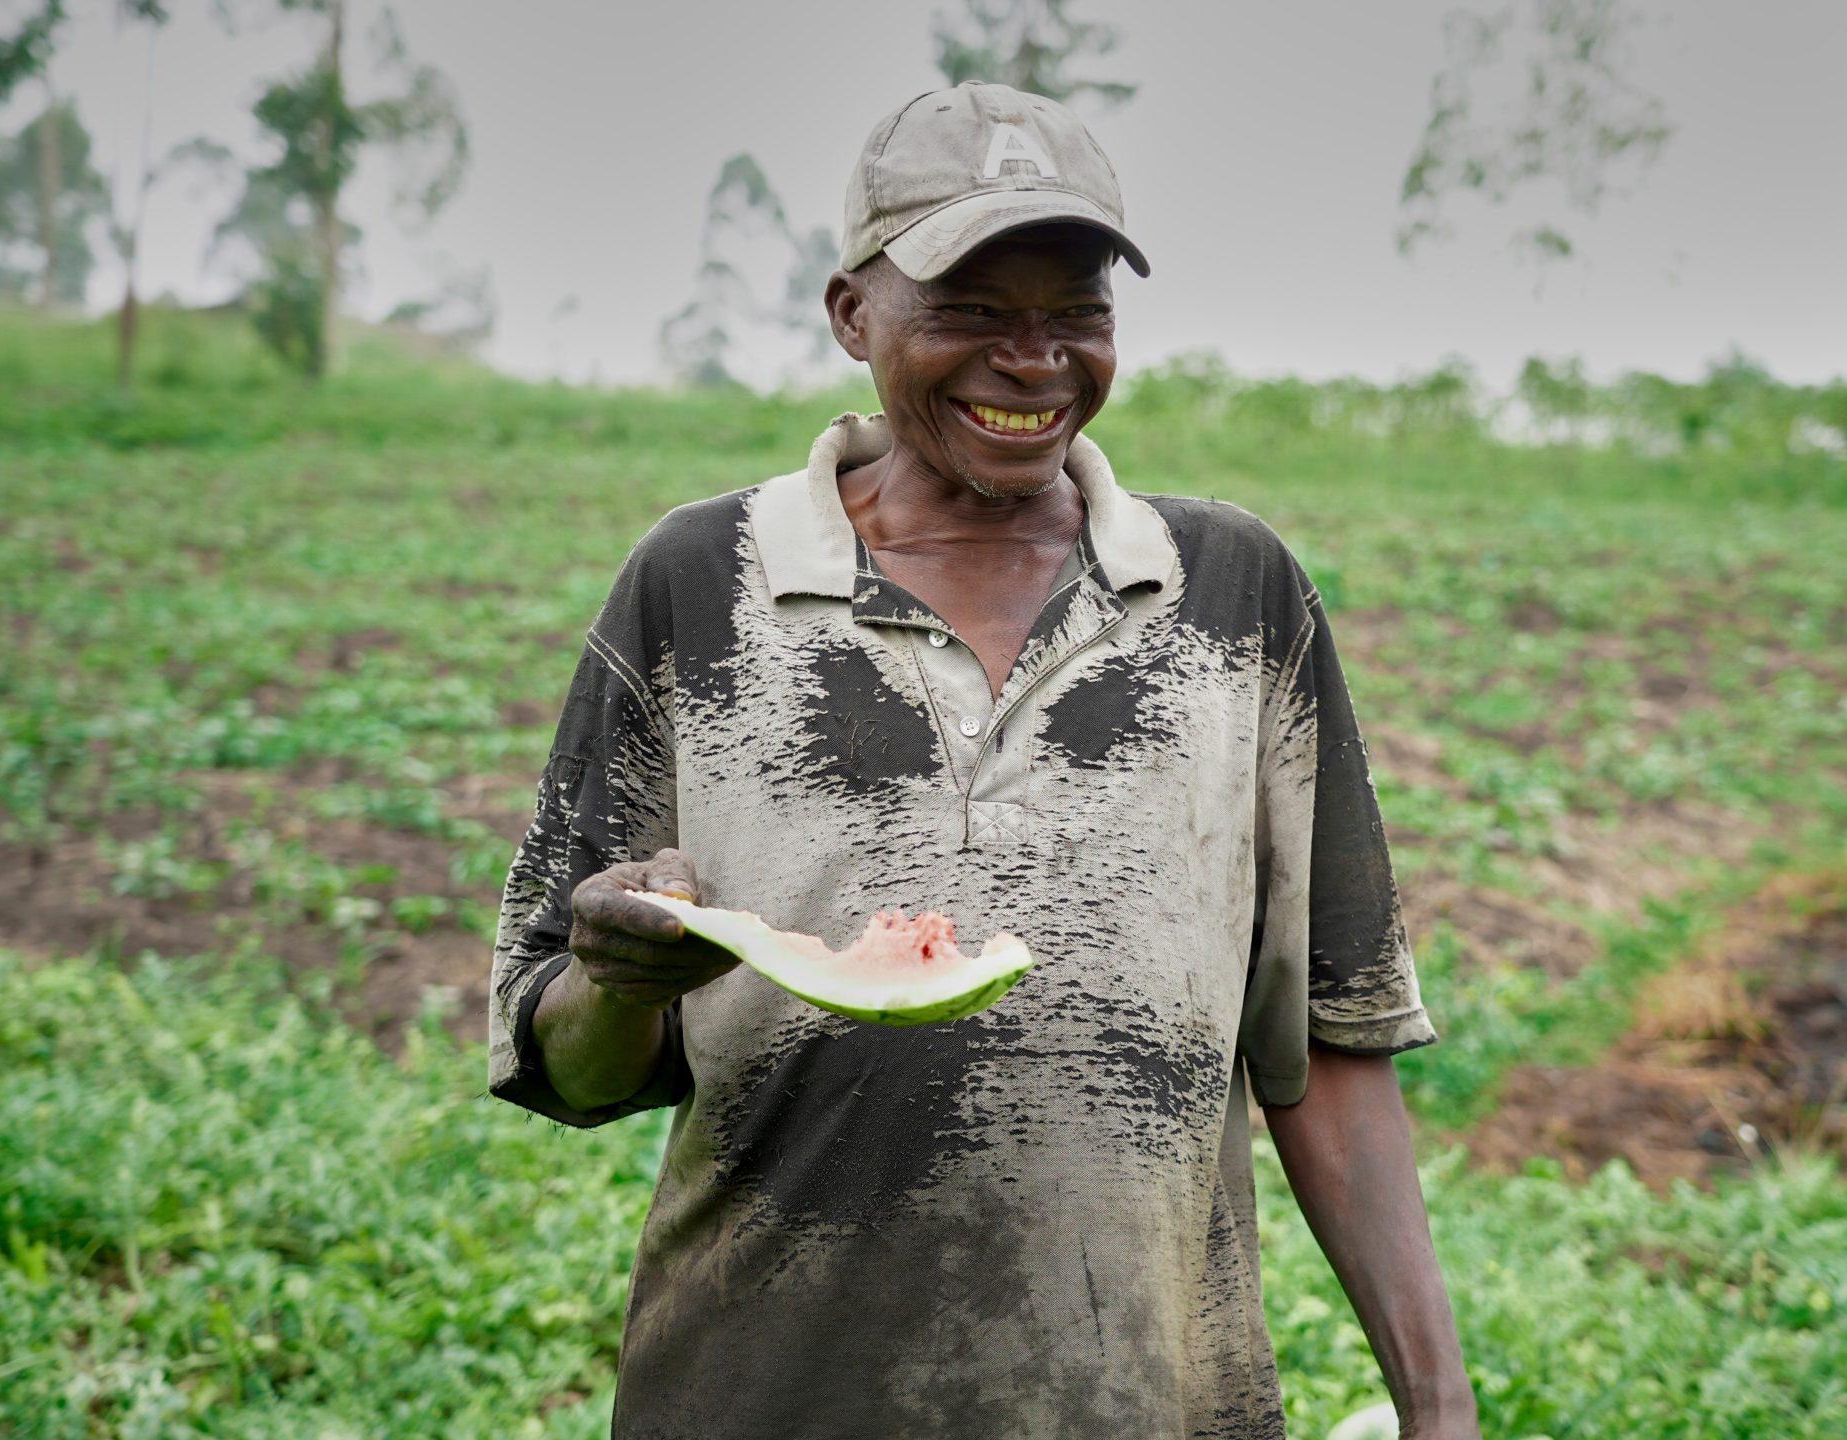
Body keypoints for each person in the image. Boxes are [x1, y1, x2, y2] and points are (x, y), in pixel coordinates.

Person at [489, 80, 1479, 1440]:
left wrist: (1438, 1408)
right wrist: (616, 984)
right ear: (852, 314)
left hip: (1157, 1405)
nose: (1035, 360)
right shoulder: (697, 587)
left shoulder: (1235, 594)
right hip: (764, 1397)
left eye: (1076, 310)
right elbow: (568, 1066)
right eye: (969, 311)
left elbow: (1333, 1041)